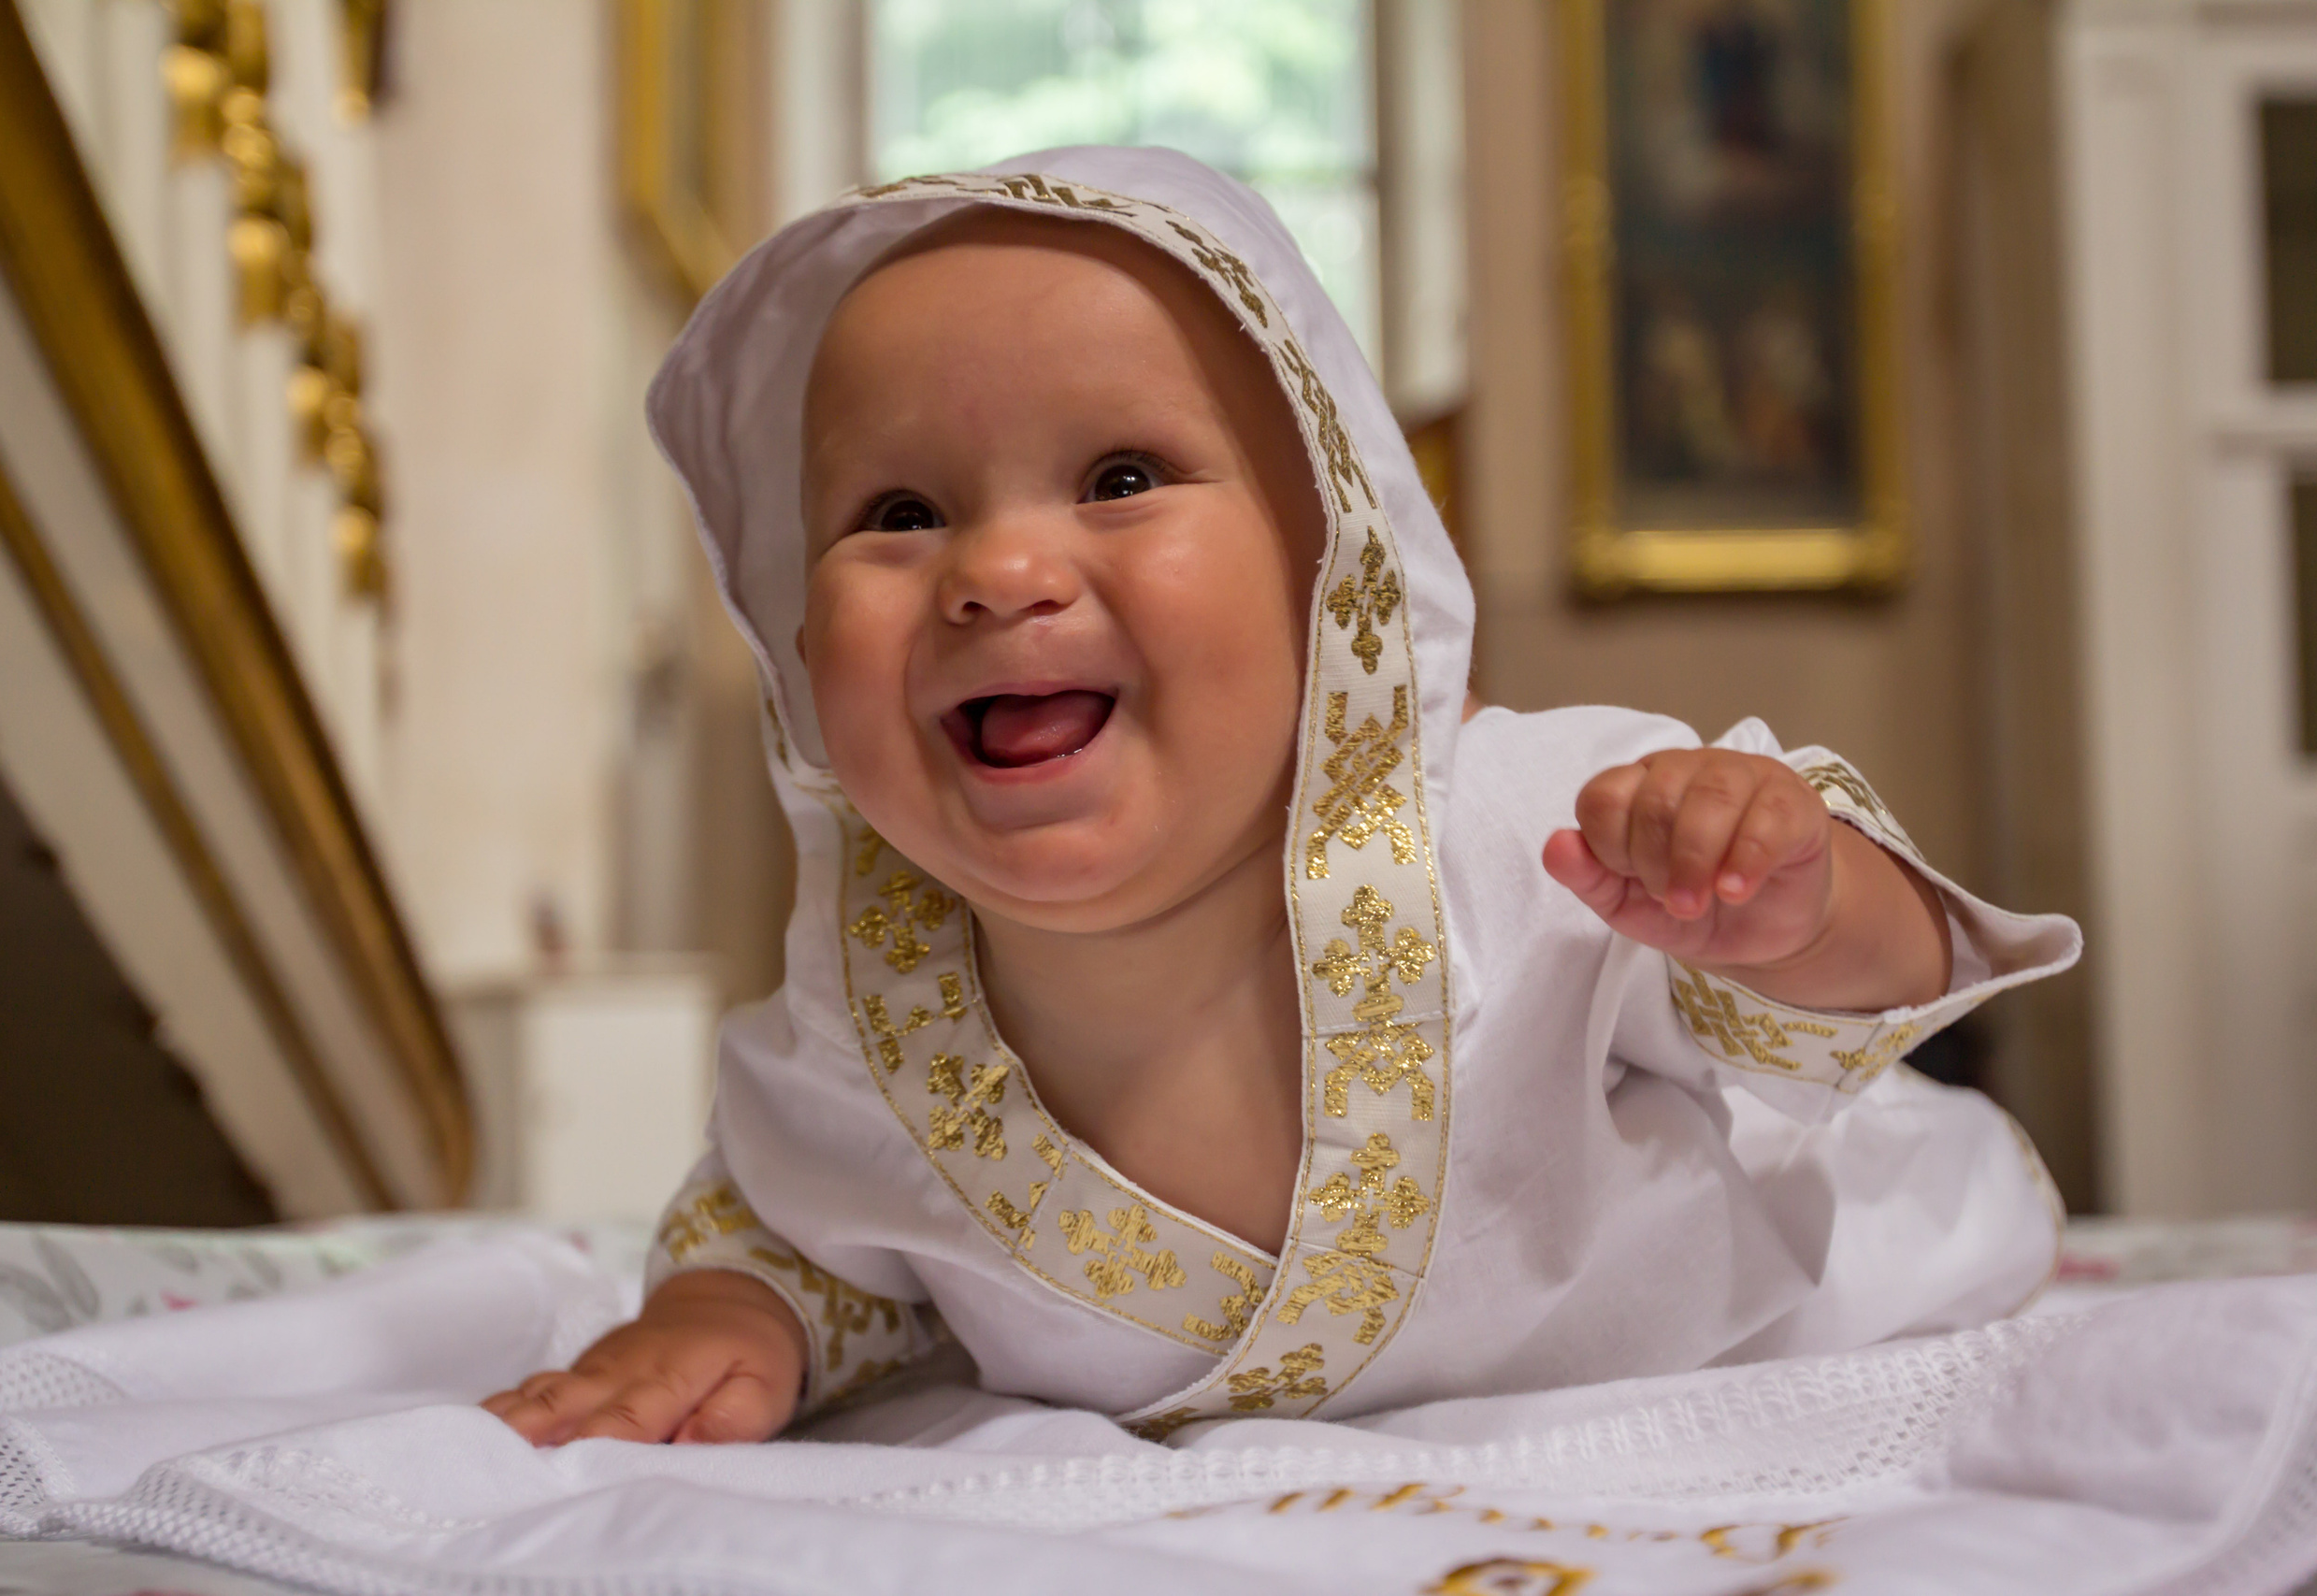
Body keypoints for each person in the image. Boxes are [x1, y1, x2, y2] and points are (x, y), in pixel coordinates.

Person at [482, 149, 2079, 1449]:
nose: (995, 572)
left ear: (1337, 569)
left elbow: (1837, 1008)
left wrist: (1791, 898)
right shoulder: (872, 1008)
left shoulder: (1526, 835)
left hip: (1774, 1331)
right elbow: (804, 1235)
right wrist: (719, 1318)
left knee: (1891, 1140)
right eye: (896, 513)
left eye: (1118, 478)